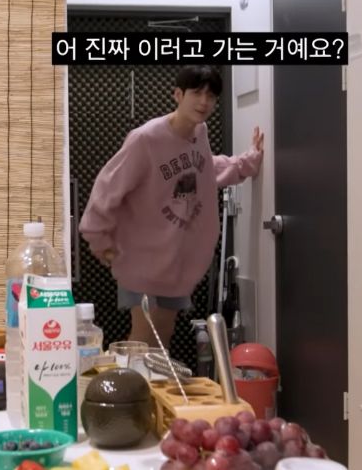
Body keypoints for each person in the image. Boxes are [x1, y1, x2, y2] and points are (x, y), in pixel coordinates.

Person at [79, 65, 264, 348]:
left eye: (211, 96)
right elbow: (108, 187)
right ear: (178, 94)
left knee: (161, 338)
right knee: (146, 340)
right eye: (196, 93)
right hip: (142, 259)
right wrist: (99, 240)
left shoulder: (199, 132)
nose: (204, 102)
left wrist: (246, 163)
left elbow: (203, 170)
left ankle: (141, 378)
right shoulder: (146, 139)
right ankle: (126, 378)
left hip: (176, 259)